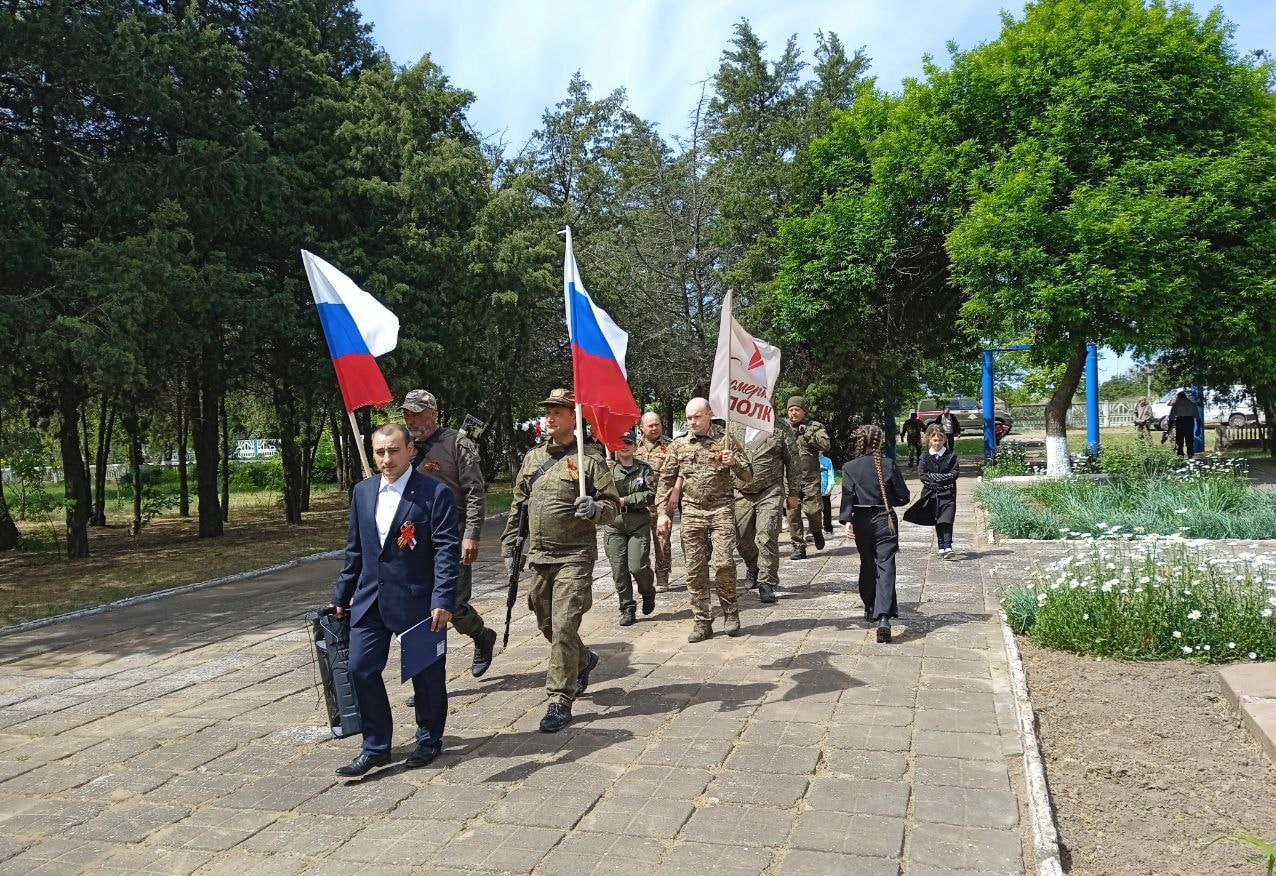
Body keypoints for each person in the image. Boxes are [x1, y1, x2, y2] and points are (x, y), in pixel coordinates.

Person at [329, 423, 459, 776]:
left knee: (426, 675)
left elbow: (447, 550)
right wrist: (341, 595)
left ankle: (429, 739)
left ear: (410, 450)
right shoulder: (363, 492)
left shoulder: (433, 493)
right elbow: (355, 549)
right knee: (360, 668)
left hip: (418, 600)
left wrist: (443, 598)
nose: (386, 459)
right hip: (370, 599)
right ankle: (375, 746)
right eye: (379, 452)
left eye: (393, 450)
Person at [501, 389, 620, 733]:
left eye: (558, 411)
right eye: (548, 411)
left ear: (574, 417)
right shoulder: (532, 458)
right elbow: (517, 505)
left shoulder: (590, 459)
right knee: (546, 623)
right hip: (540, 556)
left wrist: (596, 508)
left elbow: (612, 507)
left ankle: (559, 698)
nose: (550, 417)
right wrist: (511, 548)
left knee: (565, 626)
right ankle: (582, 659)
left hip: (574, 556)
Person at [400, 389, 498, 681]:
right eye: (406, 413)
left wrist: (471, 534)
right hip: (415, 536)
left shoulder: (457, 443)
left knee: (452, 604)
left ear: (433, 412)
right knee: (419, 607)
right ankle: (426, 679)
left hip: (451, 533)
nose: (410, 418)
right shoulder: (402, 446)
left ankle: (481, 635)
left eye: (416, 412)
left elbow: (474, 493)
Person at [656, 398, 752, 642]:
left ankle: (730, 612)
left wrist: (735, 462)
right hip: (691, 512)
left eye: (697, 417)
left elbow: (748, 475)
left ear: (709, 414)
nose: (692, 422)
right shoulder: (679, 445)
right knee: (695, 569)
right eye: (689, 418)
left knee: (723, 564)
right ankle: (702, 621)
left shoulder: (725, 439)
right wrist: (663, 513)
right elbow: (666, 481)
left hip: (721, 509)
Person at [839, 424, 910, 643]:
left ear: (858, 441)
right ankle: (884, 618)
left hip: (861, 521)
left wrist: (846, 522)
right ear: (880, 442)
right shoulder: (888, 465)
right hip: (885, 520)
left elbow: (847, 499)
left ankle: (870, 606)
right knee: (886, 567)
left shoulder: (849, 467)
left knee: (867, 564)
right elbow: (903, 497)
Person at [729, 415, 799, 605]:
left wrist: (793, 493)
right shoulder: (733, 424)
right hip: (741, 491)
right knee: (740, 536)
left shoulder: (781, 428)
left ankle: (767, 582)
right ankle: (754, 567)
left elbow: (793, 462)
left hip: (770, 489)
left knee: (767, 534)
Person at [604, 430, 657, 627]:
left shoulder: (644, 469)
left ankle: (647, 591)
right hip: (614, 525)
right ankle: (627, 607)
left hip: (637, 524)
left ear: (635, 447)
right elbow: (596, 492)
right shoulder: (607, 469)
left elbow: (650, 495)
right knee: (619, 570)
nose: (624, 446)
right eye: (620, 442)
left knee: (637, 566)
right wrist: (602, 469)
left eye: (628, 442)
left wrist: (626, 500)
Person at [785, 396, 831, 559]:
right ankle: (798, 546)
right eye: (791, 410)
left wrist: (808, 435)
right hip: (789, 481)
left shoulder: (815, 426)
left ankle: (817, 530)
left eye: (797, 409)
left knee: (813, 511)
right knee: (793, 515)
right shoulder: (783, 427)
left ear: (804, 411)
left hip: (810, 479)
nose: (793, 413)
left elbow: (826, 445)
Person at [904, 425, 960, 559]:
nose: (937, 443)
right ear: (929, 439)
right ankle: (941, 546)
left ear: (944, 440)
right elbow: (923, 475)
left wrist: (936, 478)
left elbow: (954, 473)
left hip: (948, 494)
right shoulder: (924, 457)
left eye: (940, 440)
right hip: (931, 495)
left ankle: (948, 546)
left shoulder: (951, 456)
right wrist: (940, 479)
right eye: (934, 440)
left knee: (947, 519)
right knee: (938, 520)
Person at [634, 412, 674, 591]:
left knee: (662, 540)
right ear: (642, 427)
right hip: (640, 502)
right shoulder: (634, 447)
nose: (654, 428)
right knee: (641, 541)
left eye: (657, 424)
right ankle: (643, 575)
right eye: (650, 425)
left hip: (662, 501)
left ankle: (663, 576)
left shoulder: (671, 445)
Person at [1169, 390, 1199, 459]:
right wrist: (1198, 429)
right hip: (1189, 421)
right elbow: (1198, 417)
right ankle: (1190, 454)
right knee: (1189, 439)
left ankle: (1180, 454)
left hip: (1180, 421)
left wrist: (1169, 429)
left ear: (1179, 397)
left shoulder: (1176, 404)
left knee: (1180, 439)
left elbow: (1171, 417)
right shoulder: (1192, 403)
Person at [819, 452, 835, 535]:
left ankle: (828, 528)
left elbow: (830, 474)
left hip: (824, 491)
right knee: (813, 511)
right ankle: (815, 528)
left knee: (826, 510)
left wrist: (830, 487)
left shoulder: (827, 461)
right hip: (812, 490)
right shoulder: (809, 460)